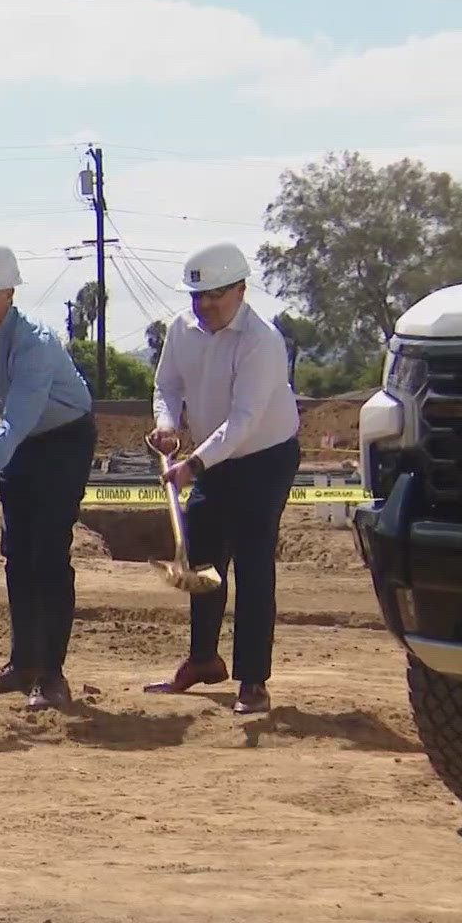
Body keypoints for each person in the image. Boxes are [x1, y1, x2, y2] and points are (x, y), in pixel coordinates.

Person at [142, 243, 301, 715]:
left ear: (240, 290)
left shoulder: (261, 340)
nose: (204, 304)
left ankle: (253, 681)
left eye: (215, 294)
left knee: (253, 564)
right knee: (202, 561)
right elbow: (166, 385)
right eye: (197, 295)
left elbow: (246, 419)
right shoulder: (181, 329)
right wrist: (168, 426)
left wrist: (193, 465)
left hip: (264, 458)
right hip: (214, 456)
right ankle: (204, 660)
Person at [0, 245, 97, 710]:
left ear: (9, 294)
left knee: (48, 553)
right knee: (17, 553)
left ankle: (52, 676)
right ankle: (23, 663)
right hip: (16, 442)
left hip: (61, 440)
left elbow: (18, 419)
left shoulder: (37, 343)